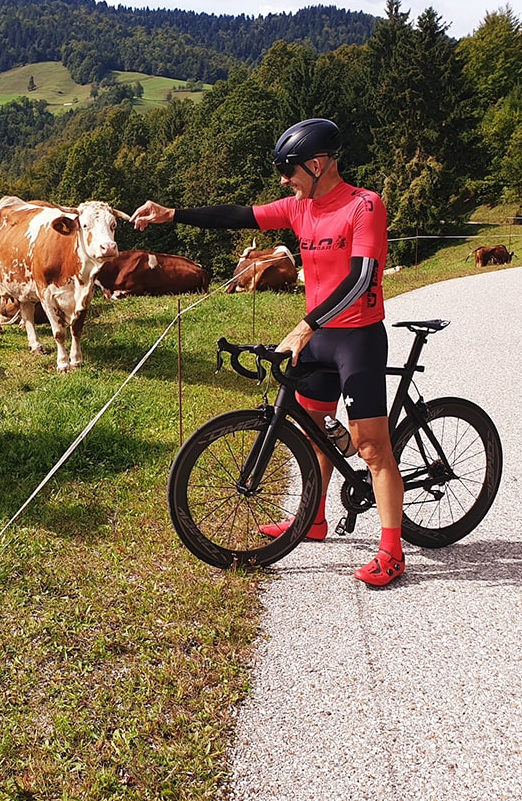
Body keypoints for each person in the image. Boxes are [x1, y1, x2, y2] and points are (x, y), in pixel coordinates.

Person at [132, 118, 406, 586]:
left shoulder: (365, 206)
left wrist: (306, 325)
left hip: (356, 337)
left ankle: (392, 550)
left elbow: (361, 280)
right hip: (319, 336)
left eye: (290, 170)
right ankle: (314, 520)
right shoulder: (301, 208)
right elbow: (238, 215)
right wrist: (172, 214)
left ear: (318, 165)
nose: (284, 180)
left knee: (371, 447)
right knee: (315, 427)